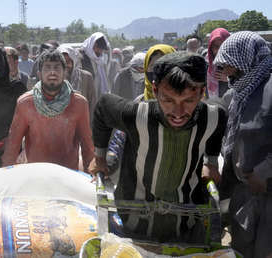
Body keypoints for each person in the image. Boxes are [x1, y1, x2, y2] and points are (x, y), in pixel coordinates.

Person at [89, 52, 227, 243]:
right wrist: (100, 157)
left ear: (202, 92)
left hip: (187, 221)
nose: (178, 113)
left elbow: (220, 116)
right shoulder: (137, 115)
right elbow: (103, 107)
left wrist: (211, 161)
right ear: (155, 90)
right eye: (168, 100)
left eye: (188, 101)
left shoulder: (213, 116)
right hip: (134, 221)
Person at [214, 31, 272, 258]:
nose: (226, 72)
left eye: (229, 64)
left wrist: (263, 171)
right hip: (243, 191)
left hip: (267, 192)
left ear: (245, 59)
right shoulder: (238, 93)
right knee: (241, 248)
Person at [2, 49, 94, 170]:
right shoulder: (26, 103)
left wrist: (92, 180)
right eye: (47, 68)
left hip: (68, 177)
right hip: (36, 177)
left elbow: (87, 147)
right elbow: (12, 146)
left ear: (65, 72)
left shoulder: (79, 103)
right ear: (39, 74)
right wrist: (7, 177)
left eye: (57, 68)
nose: (52, 72)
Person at [57, 45, 97, 118]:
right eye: (62, 62)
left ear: (74, 61)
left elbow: (92, 103)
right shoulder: (52, 78)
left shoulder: (86, 77)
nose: (65, 65)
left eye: (68, 61)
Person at [80, 32, 111, 98]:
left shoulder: (101, 60)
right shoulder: (82, 58)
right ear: (92, 45)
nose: (100, 51)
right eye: (98, 48)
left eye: (101, 49)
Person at [206, 28, 230, 98]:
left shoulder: (238, 63)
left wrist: (229, 79)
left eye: (223, 45)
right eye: (216, 46)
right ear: (211, 47)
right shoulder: (205, 64)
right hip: (212, 105)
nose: (220, 49)